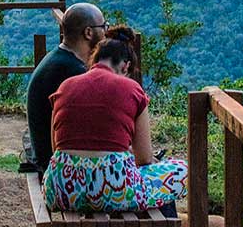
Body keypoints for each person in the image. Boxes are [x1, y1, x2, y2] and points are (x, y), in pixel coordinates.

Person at [41, 36, 188, 213]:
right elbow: (144, 159)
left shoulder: (65, 86)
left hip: (61, 190)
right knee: (182, 170)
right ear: (125, 66)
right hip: (114, 190)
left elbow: (56, 148)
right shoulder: (132, 89)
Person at [21, 2, 105, 173]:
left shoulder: (57, 60)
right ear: (88, 33)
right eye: (104, 27)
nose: (106, 32)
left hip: (46, 156)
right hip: (55, 167)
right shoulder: (72, 73)